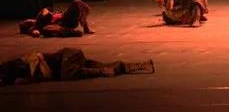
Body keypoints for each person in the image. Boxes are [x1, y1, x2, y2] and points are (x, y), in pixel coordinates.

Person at [0, 48, 153, 86]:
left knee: (67, 75)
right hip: (71, 62)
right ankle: (140, 65)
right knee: (104, 65)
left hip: (68, 57)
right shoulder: (17, 76)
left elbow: (36, 58)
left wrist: (33, 75)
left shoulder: (20, 63)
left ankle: (102, 71)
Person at [18, 0, 93, 38]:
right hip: (64, 22)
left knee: (77, 2)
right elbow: (33, 31)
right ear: (28, 24)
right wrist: (35, 32)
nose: (30, 20)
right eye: (28, 21)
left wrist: (45, 13)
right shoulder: (37, 25)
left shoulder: (40, 18)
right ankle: (74, 31)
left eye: (29, 20)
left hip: (65, 16)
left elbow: (45, 10)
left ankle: (85, 25)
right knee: (47, 28)